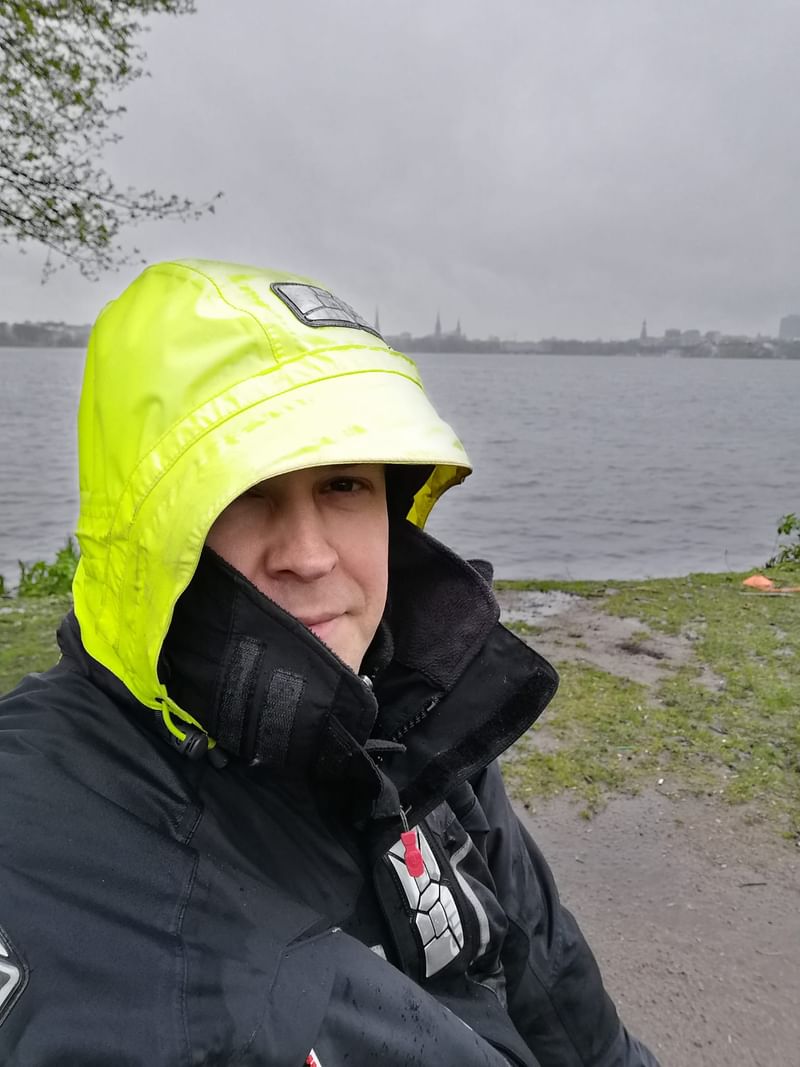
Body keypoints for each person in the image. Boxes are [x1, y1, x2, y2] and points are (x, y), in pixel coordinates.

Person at [0, 259, 659, 1066]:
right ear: (148, 533)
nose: (309, 555)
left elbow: (562, 999)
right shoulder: (36, 814)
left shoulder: (415, 715)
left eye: (344, 484)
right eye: (243, 493)